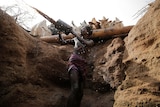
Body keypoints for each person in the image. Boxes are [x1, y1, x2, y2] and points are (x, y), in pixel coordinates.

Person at [59, 25, 94, 107]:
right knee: (75, 87)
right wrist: (59, 34)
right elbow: (63, 42)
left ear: (88, 32)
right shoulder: (75, 39)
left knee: (80, 92)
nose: (82, 29)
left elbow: (86, 43)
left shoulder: (91, 41)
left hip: (83, 65)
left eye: (84, 29)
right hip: (73, 63)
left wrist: (74, 33)